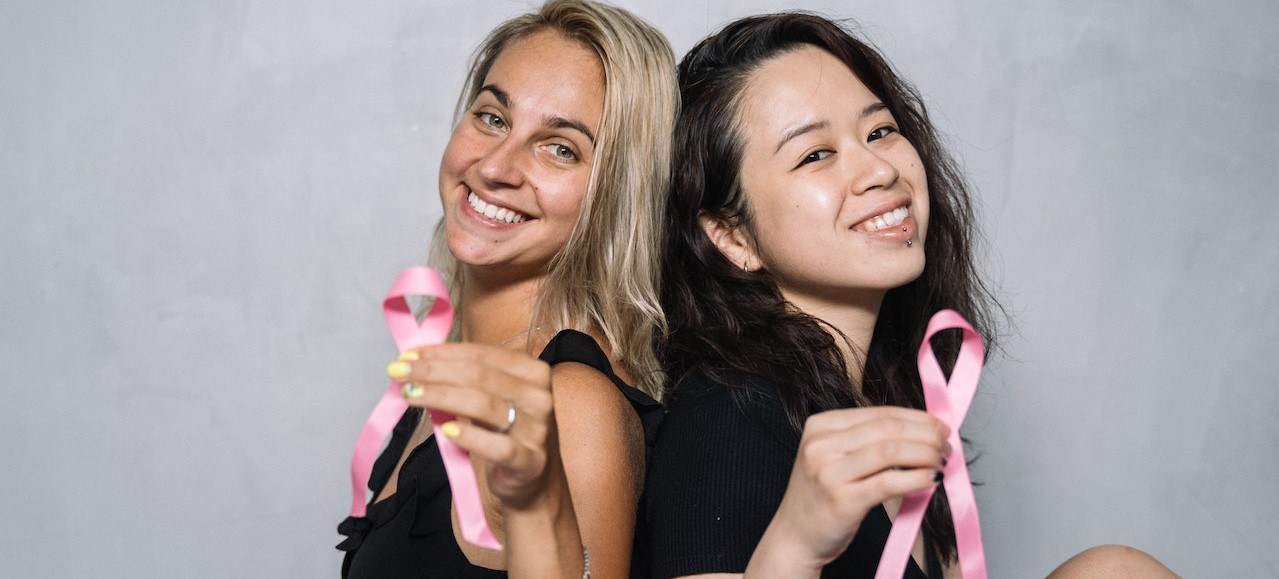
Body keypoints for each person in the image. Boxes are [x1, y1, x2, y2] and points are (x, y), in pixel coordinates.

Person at [641, 12, 1176, 579]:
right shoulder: (726, 422)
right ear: (732, 235)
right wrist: (795, 546)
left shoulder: (895, 401)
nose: (878, 169)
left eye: (880, 131)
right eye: (815, 154)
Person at [335, 1, 677, 577]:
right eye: (493, 117)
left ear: (614, 197)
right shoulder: (454, 371)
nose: (496, 166)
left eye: (560, 148)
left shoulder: (571, 405)